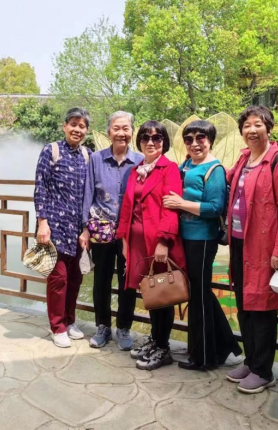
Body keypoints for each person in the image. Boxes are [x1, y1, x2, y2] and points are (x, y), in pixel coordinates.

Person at [225, 105, 278, 394]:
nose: (252, 130)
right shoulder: (244, 159)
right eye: (247, 125)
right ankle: (251, 360)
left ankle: (263, 370)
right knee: (244, 305)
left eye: (258, 124)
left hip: (265, 247)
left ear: (269, 128)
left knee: (263, 309)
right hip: (239, 242)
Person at [161, 120, 244, 371]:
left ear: (210, 140)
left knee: (198, 295)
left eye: (201, 138)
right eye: (189, 139)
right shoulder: (186, 165)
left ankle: (204, 356)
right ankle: (223, 345)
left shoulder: (215, 169)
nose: (195, 144)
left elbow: (215, 208)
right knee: (198, 293)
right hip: (184, 237)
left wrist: (181, 204)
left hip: (203, 239)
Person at [116, 120, 186, 370]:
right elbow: (127, 206)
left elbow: (171, 207)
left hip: (156, 242)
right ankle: (155, 340)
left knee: (162, 293)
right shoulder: (137, 170)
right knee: (149, 291)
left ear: (164, 142)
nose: (151, 142)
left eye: (157, 138)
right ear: (139, 142)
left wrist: (163, 242)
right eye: (145, 137)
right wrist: (124, 240)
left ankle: (163, 347)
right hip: (136, 242)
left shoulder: (169, 168)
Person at [80, 111, 143, 350]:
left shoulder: (140, 161)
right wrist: (85, 228)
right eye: (117, 128)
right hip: (101, 229)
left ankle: (124, 327)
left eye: (126, 128)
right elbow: (88, 193)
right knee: (101, 280)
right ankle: (103, 326)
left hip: (130, 232)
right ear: (109, 132)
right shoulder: (96, 159)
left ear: (132, 132)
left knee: (128, 281)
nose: (121, 133)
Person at [34, 107, 92, 348]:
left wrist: (87, 228)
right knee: (58, 279)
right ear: (65, 126)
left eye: (82, 126)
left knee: (75, 279)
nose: (77, 129)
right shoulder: (51, 150)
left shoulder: (87, 155)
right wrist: (42, 222)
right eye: (73, 124)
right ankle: (57, 326)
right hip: (54, 227)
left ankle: (69, 321)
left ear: (87, 131)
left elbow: (90, 193)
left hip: (78, 230)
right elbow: (40, 186)